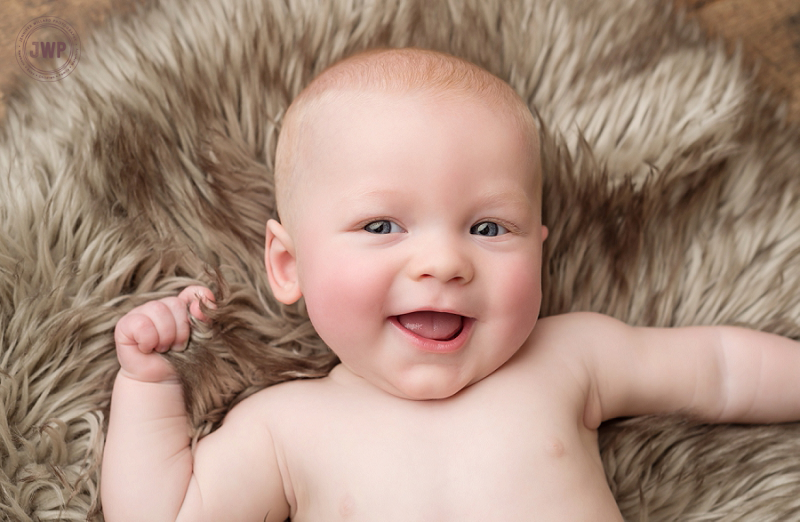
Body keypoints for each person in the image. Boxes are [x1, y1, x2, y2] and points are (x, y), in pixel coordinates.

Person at [101, 48, 800, 521]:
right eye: (381, 226)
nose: (444, 263)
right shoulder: (286, 428)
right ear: (289, 265)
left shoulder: (568, 357)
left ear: (541, 252)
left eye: (490, 229)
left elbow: (721, 369)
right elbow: (166, 512)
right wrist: (149, 386)